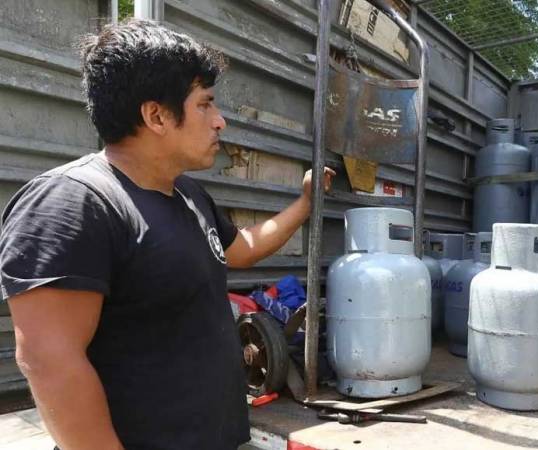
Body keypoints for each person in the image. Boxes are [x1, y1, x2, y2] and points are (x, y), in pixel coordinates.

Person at [0, 19, 334, 450]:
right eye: (205, 105)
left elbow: (244, 249)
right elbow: (49, 362)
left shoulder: (189, 195)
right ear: (156, 115)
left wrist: (305, 203)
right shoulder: (72, 203)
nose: (220, 122)